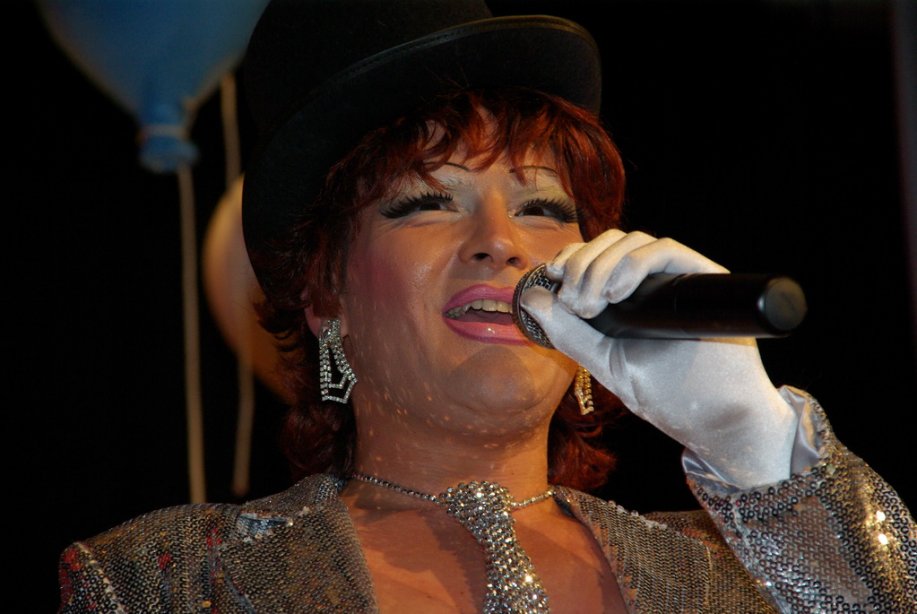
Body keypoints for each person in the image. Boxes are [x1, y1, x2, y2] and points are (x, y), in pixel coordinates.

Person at [58, 1, 916, 612]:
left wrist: (752, 445)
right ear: (323, 292)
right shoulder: (168, 582)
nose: (499, 242)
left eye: (542, 207)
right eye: (425, 203)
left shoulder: (733, 577)